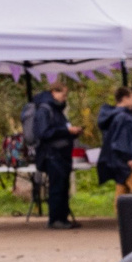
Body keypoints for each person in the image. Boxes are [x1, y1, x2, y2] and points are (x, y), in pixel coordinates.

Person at [24, 85, 77, 229]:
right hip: (51, 154)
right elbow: (44, 133)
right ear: (54, 92)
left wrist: (72, 132)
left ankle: (63, 218)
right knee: (56, 187)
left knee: (63, 186)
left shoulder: (57, 110)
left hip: (61, 153)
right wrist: (65, 130)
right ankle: (55, 219)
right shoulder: (44, 109)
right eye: (63, 95)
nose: (64, 98)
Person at [93, 88, 132, 192]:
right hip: (124, 161)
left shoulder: (111, 117)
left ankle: (119, 208)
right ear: (125, 98)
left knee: (122, 190)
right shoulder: (124, 118)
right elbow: (123, 140)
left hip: (114, 160)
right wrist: (129, 158)